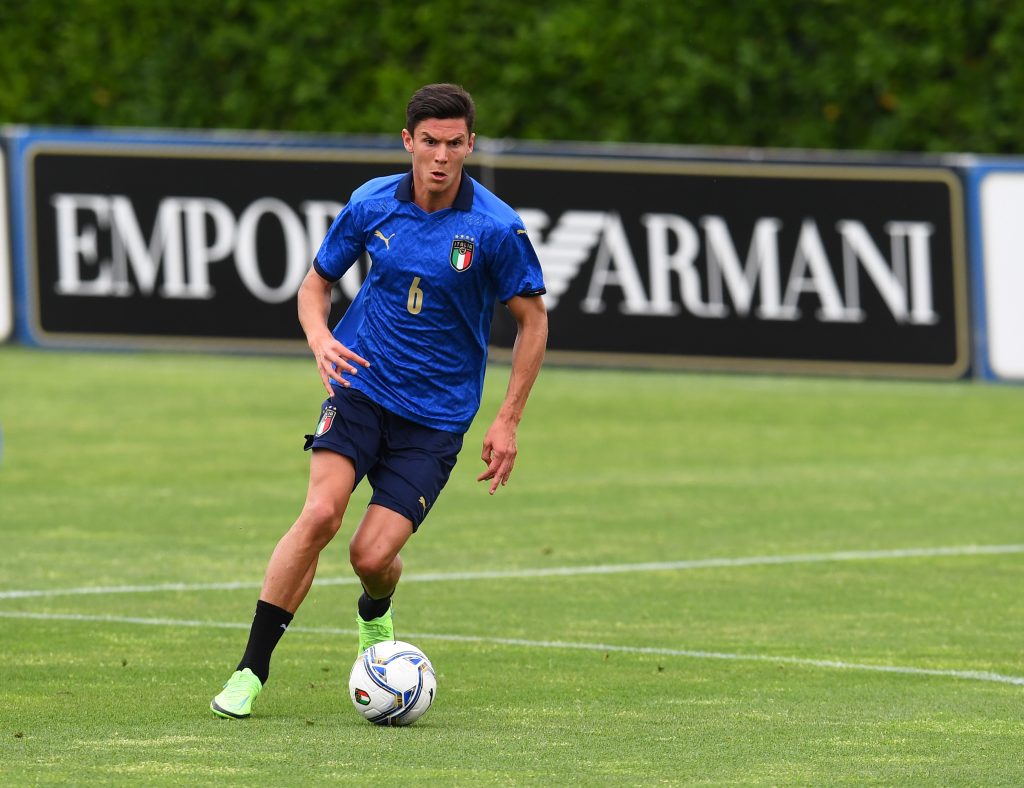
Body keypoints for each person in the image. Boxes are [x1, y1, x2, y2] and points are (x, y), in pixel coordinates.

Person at [210, 83, 548, 719]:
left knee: (371, 556)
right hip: (360, 387)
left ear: (470, 145)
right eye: (428, 143)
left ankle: (376, 612)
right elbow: (315, 285)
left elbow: (534, 322)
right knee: (319, 515)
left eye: (454, 144)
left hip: (437, 419)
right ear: (408, 142)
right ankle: (250, 672)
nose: (440, 157)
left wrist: (507, 419)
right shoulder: (371, 203)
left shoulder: (496, 228)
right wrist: (318, 338)